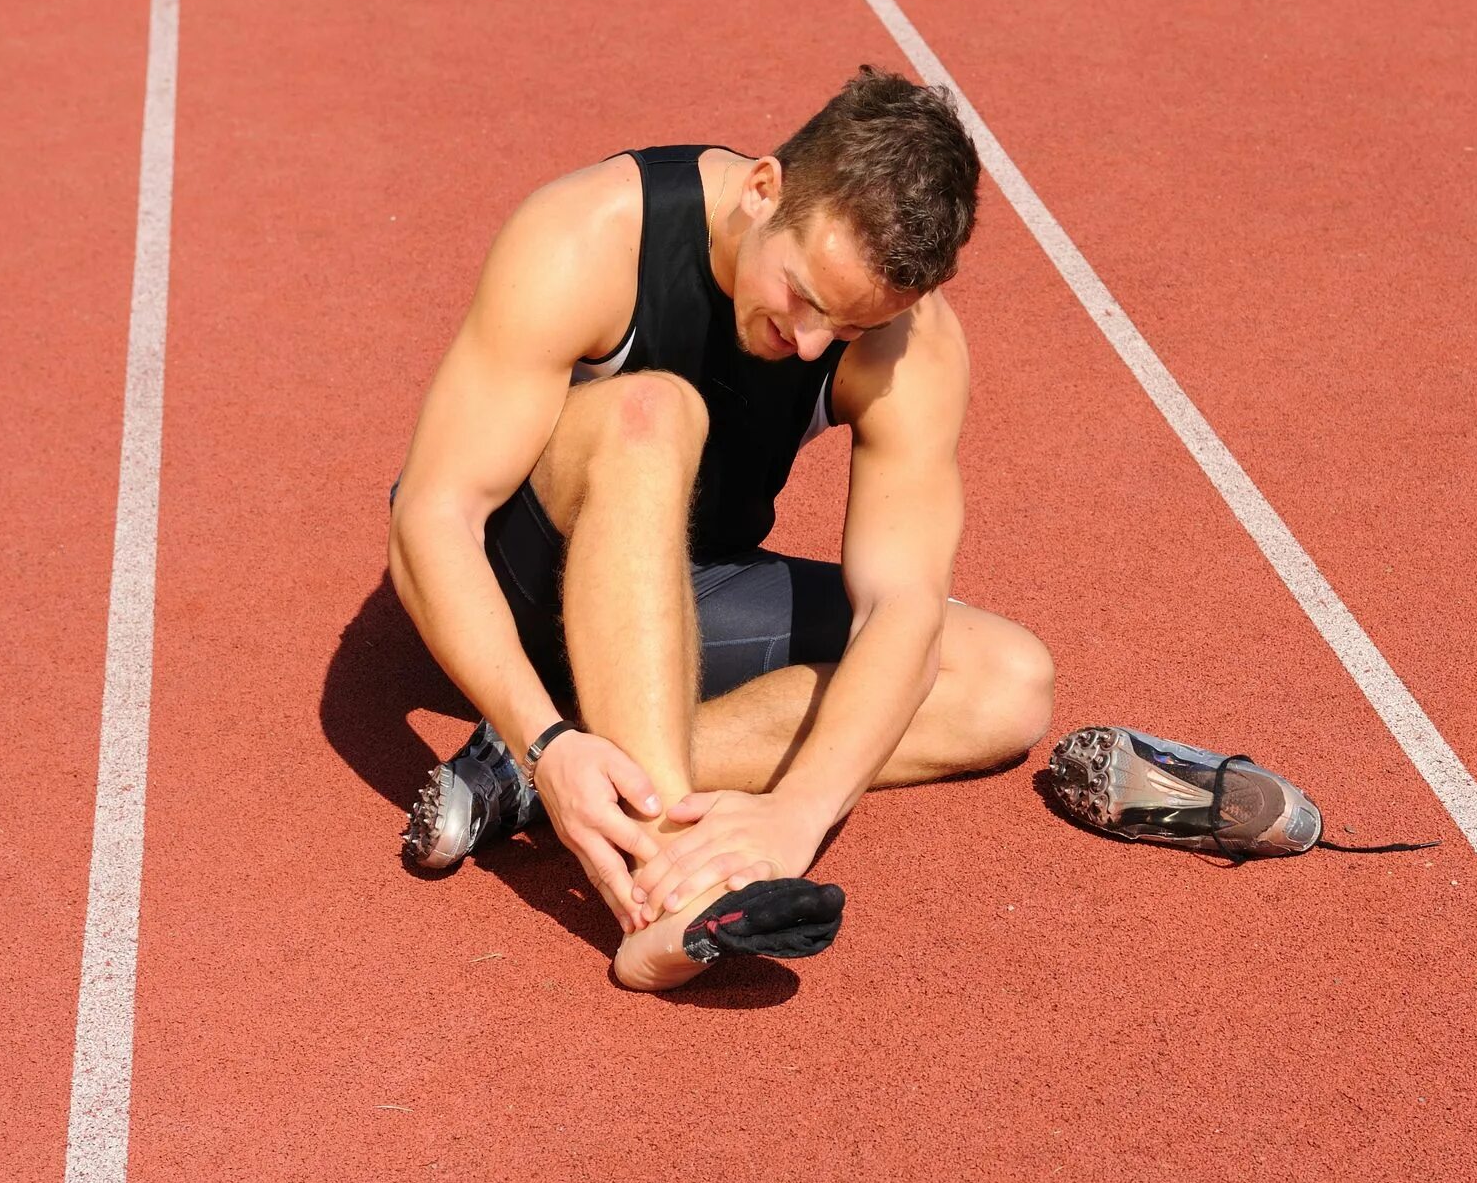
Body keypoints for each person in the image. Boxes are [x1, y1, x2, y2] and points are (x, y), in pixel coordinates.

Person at [386, 67, 1055, 990]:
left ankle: (538, 774)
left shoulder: (910, 344)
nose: (816, 343)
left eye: (851, 326)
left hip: (686, 589)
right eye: (806, 297)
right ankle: (665, 895)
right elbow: (432, 514)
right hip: (523, 576)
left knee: (1007, 684)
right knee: (654, 411)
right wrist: (541, 730)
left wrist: (800, 813)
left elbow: (902, 603)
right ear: (764, 189)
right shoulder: (588, 237)